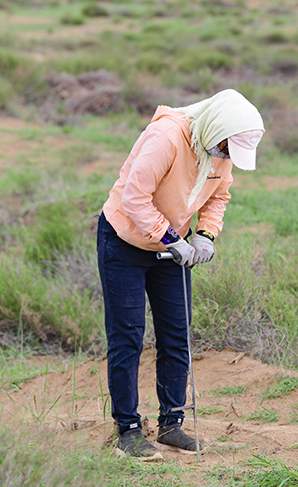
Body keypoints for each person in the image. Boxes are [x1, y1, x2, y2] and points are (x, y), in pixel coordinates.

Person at [97, 89, 264, 460]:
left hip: (171, 246)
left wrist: (205, 235)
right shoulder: (167, 137)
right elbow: (134, 197)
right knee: (128, 337)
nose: (225, 156)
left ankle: (172, 424)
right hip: (124, 241)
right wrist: (173, 238)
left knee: (176, 334)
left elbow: (219, 196)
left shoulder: (221, 150)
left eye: (231, 152)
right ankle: (128, 430)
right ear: (215, 129)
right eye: (224, 148)